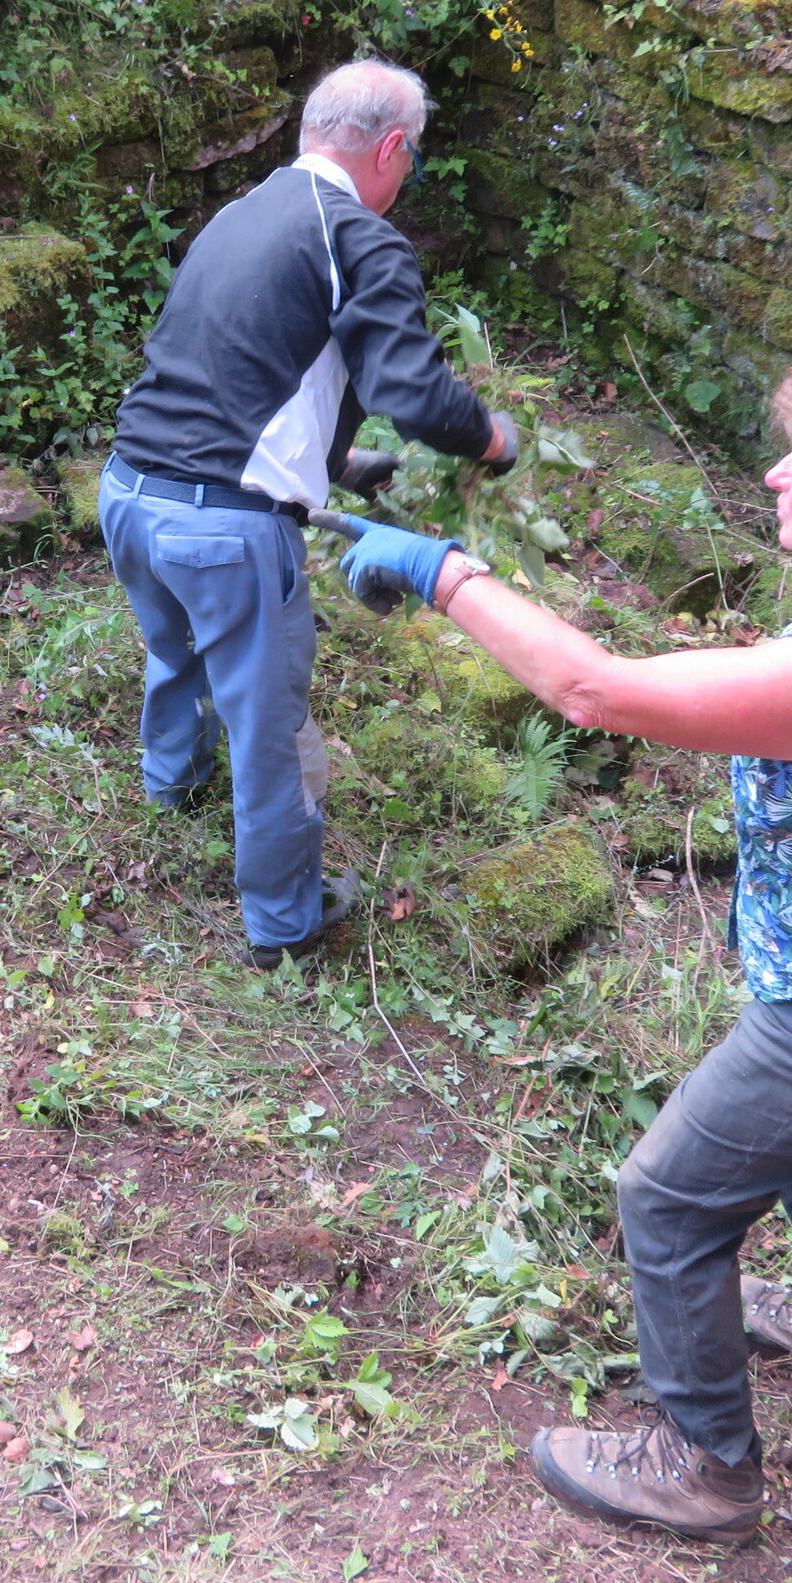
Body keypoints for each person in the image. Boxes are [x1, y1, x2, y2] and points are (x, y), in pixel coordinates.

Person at [337, 335, 792, 1543]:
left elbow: (595, 693)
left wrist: (443, 571)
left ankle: (706, 1467)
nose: (776, 476)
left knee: (666, 1200)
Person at [102, 60, 516, 966]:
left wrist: (339, 465)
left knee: (176, 651)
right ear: (393, 148)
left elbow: (237, 367)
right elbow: (414, 393)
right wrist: (490, 440)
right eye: (413, 161)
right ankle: (285, 927)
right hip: (224, 533)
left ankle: (171, 791)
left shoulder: (239, 213)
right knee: (273, 734)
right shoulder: (359, 236)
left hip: (130, 494)